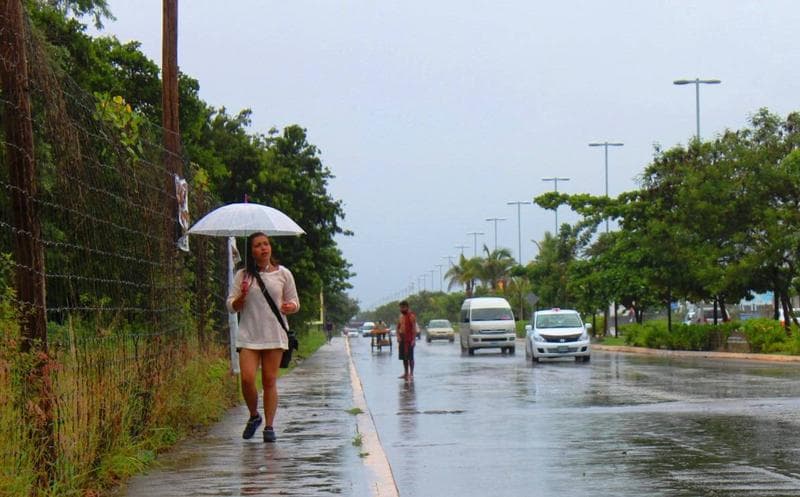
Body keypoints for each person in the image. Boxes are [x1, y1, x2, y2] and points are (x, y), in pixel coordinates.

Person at [227, 232, 300, 443]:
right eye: (258, 245)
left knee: (269, 380)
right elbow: (230, 305)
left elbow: (294, 302)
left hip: (274, 335)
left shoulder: (283, 274)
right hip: (249, 335)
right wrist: (239, 300)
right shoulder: (243, 276)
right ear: (251, 251)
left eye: (266, 244)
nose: (263, 248)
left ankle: (269, 426)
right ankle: (253, 415)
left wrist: (290, 307)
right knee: (247, 379)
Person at [395, 301, 417, 381]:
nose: (401, 309)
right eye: (400, 307)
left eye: (403, 307)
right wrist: (398, 337)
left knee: (410, 357)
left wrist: (414, 340)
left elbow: (414, 329)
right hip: (402, 338)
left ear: (407, 307)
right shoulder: (400, 316)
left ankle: (411, 373)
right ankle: (406, 373)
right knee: (404, 357)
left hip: (409, 339)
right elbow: (397, 328)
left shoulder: (411, 316)